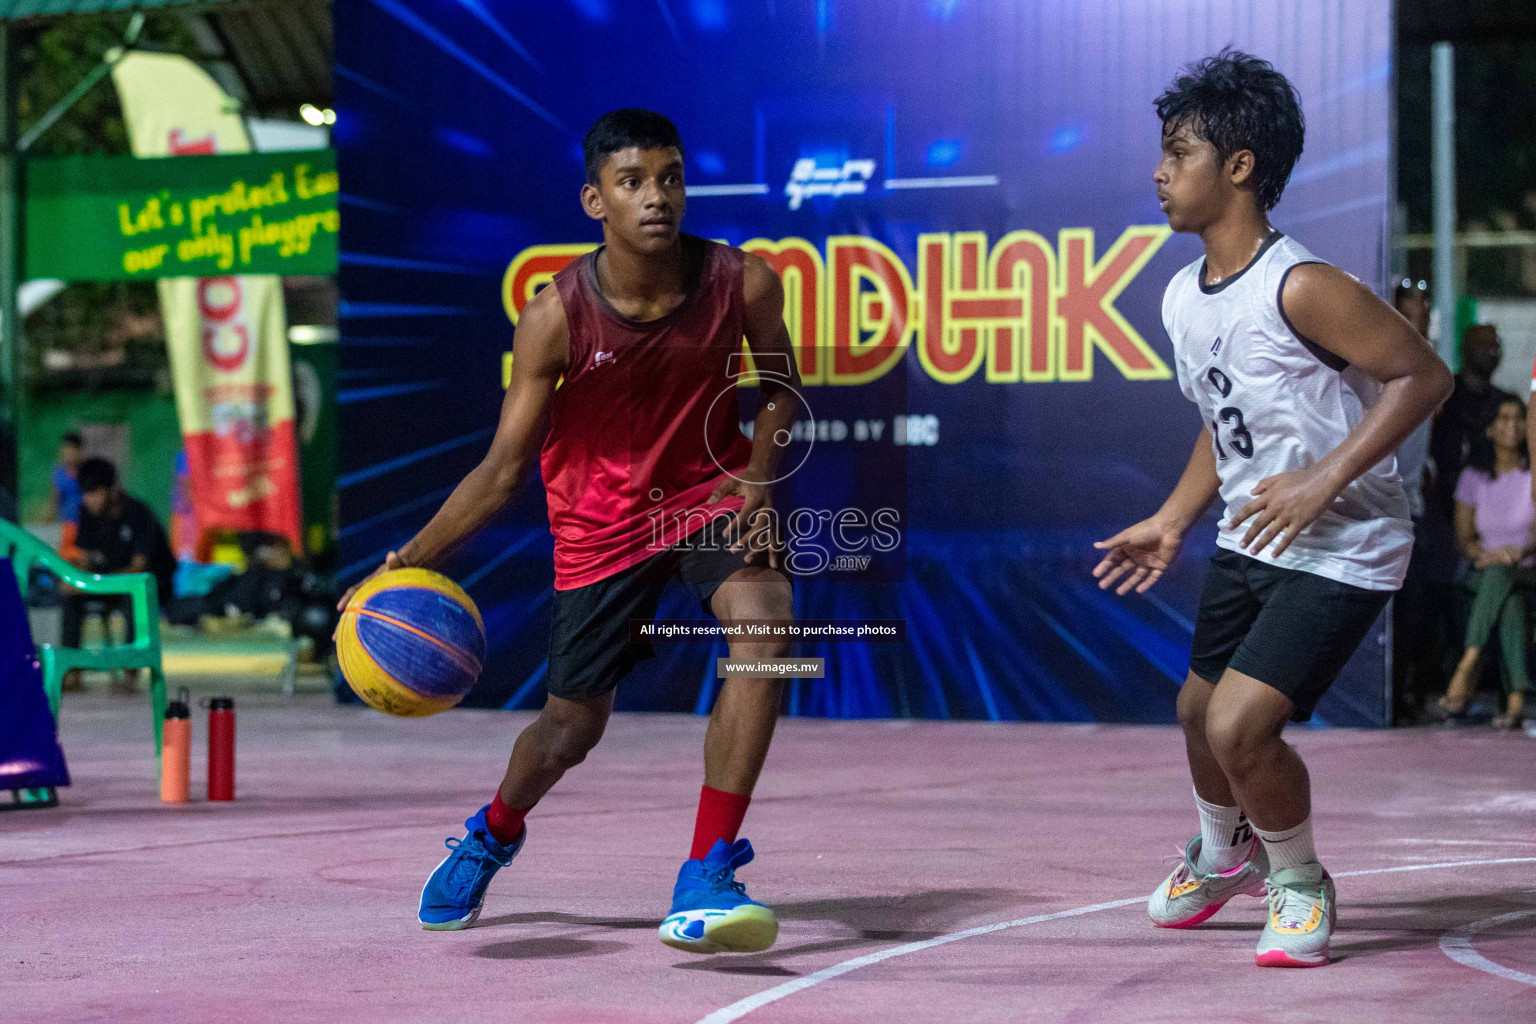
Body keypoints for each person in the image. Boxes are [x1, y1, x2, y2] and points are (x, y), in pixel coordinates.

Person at [338, 109, 800, 953]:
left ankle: (706, 870)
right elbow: (501, 470)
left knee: (767, 628)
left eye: (669, 178)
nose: (656, 197)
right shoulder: (554, 316)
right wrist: (403, 562)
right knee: (569, 731)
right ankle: (494, 830)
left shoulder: (746, 282)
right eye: (632, 183)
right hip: (600, 526)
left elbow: (779, 392)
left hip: (708, 496)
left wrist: (759, 475)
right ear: (595, 200)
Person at [1092, 51, 1453, 968]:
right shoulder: (1183, 295)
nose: (1159, 172)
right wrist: (1174, 517)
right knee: (1194, 711)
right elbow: (1225, 423)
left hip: (1347, 540)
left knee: (1239, 726)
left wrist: (1326, 476)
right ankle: (1226, 853)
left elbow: (1423, 376)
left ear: (1240, 164)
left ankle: (1299, 880)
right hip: (1257, 534)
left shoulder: (1301, 284)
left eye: (1179, 153)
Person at [1434, 396, 1533, 729]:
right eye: (1503, 418)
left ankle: (1467, 665)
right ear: (1490, 428)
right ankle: (1517, 699)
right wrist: (1488, 556)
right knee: (1508, 597)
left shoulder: (1534, 473)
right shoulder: (1473, 477)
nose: (1512, 425)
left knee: (1507, 580)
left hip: (1528, 569)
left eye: (1520, 418)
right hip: (1484, 570)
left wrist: (1518, 552)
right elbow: (1464, 539)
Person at [63, 458, 177, 692]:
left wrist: (94, 584)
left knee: (134, 600)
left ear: (112, 490)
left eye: (95, 493)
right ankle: (72, 672)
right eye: (85, 493)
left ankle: (129, 672)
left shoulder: (139, 513)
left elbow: (138, 569)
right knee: (71, 598)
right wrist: (74, 581)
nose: (89, 500)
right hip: (108, 583)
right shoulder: (86, 513)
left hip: (147, 585)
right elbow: (84, 560)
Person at [52, 432, 84, 561]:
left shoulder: (84, 471)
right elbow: (56, 495)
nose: (68, 455)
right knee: (64, 555)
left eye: (72, 451)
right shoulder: (59, 471)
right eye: (65, 451)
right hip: (67, 522)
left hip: (83, 522)